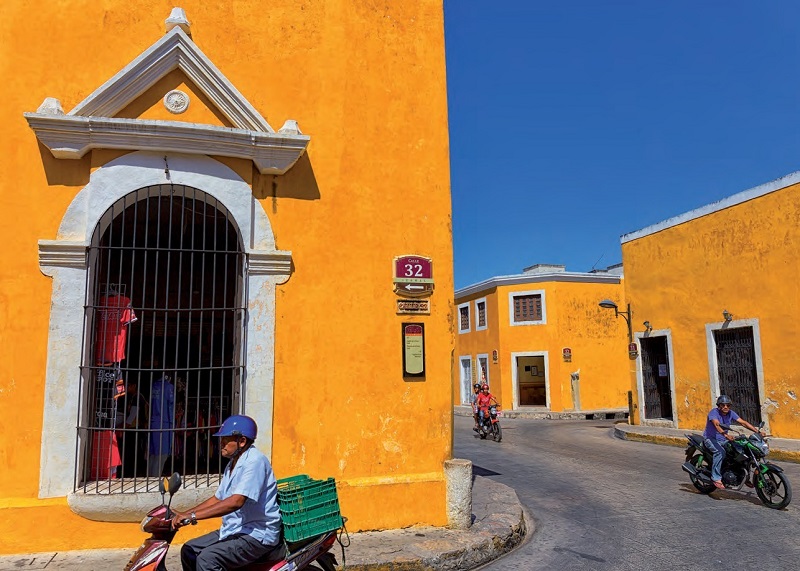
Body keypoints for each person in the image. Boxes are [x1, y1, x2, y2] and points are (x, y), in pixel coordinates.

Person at [172, 415, 283, 571]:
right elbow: (218, 498)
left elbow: (236, 501)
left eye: (225, 439)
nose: (221, 443)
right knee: (189, 550)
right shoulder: (233, 463)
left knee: (208, 559)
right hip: (234, 529)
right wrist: (184, 514)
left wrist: (193, 516)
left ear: (242, 441)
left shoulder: (255, 461)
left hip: (257, 534)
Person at [703, 394, 763, 489]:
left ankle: (743, 476)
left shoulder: (731, 413)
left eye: (728, 405)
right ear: (719, 405)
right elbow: (716, 425)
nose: (726, 407)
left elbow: (743, 423)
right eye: (723, 405)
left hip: (724, 440)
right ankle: (716, 477)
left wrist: (758, 432)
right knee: (720, 452)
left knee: (741, 451)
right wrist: (726, 435)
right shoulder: (713, 413)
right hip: (711, 439)